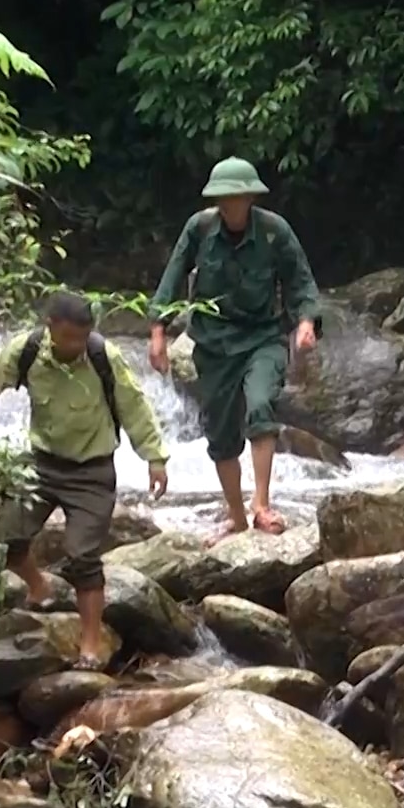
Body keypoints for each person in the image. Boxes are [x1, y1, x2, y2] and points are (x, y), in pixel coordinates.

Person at [0, 292, 170, 671]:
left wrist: (155, 458)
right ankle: (39, 587)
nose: (76, 345)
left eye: (82, 337)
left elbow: (134, 405)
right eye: (68, 338)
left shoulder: (101, 356)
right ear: (50, 329)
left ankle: (90, 644)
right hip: (41, 463)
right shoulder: (25, 351)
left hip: (92, 471)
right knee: (4, 543)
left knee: (82, 557)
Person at [147, 156, 321, 544]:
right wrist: (158, 331)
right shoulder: (200, 228)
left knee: (260, 404)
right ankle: (236, 516)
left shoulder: (275, 232)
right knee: (221, 431)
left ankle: (261, 504)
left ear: (250, 198)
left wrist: (306, 323)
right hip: (214, 342)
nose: (230, 206)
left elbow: (301, 283)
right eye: (223, 199)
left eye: (237, 198)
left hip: (263, 337)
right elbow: (173, 277)